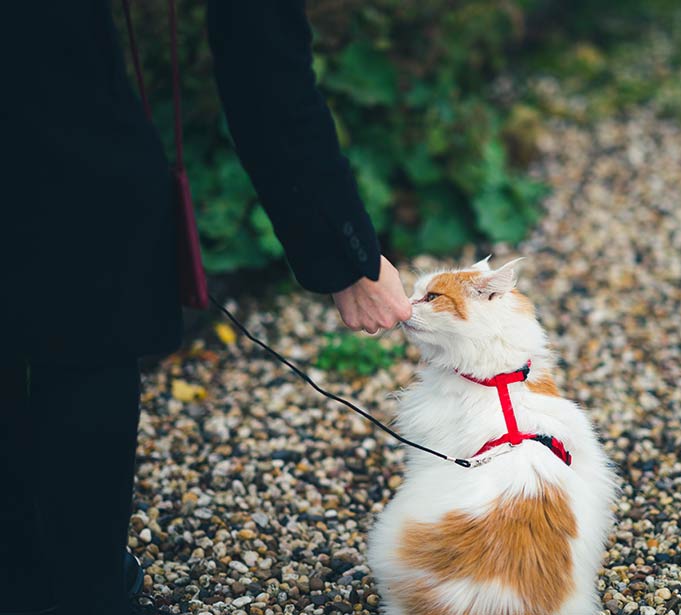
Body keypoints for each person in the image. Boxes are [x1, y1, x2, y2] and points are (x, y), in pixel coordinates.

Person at [0, 2, 412, 614]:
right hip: (54, 109)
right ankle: (81, 588)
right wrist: (349, 257)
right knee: (88, 316)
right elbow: (263, 63)